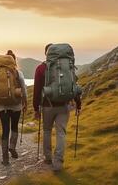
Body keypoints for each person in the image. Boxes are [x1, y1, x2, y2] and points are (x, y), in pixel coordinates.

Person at [33, 43, 82, 171]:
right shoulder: (67, 66)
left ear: (47, 54)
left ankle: (48, 158)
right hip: (64, 106)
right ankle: (58, 162)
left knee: (47, 131)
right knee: (61, 133)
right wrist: (78, 104)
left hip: (47, 106)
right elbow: (73, 85)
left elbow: (37, 91)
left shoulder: (41, 68)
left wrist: (36, 109)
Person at [0, 50, 28, 166]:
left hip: (2, 106)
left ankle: (5, 158)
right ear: (14, 61)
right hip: (16, 105)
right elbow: (23, 89)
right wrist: (25, 103)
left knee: (5, 130)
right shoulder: (18, 73)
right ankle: (12, 147)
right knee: (14, 127)